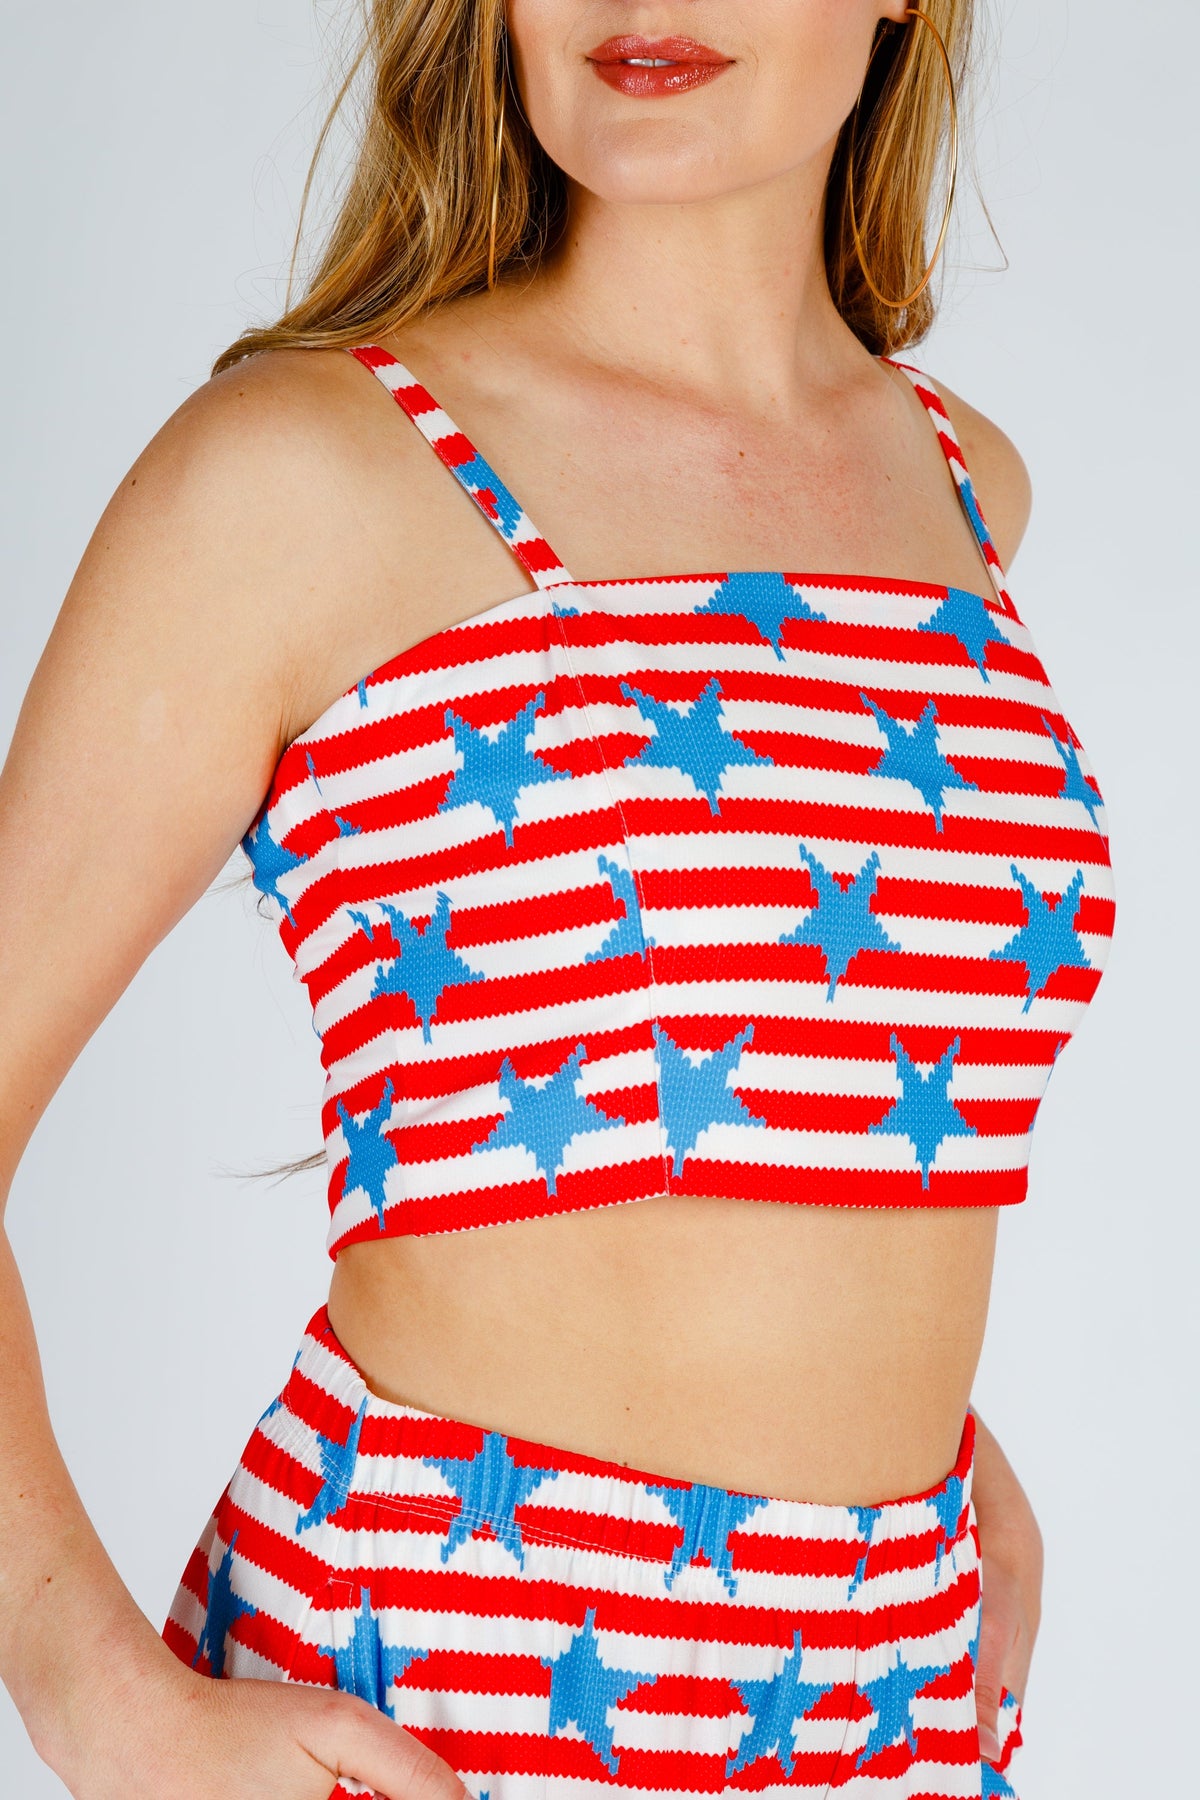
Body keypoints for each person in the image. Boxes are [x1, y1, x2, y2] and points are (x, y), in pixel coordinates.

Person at [0, 3, 1116, 1797]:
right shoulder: (304, 469)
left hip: (885, 1697)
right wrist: (92, 1696)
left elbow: (821, 1074)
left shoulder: (965, 483)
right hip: (446, 1694)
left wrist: (935, 1454)